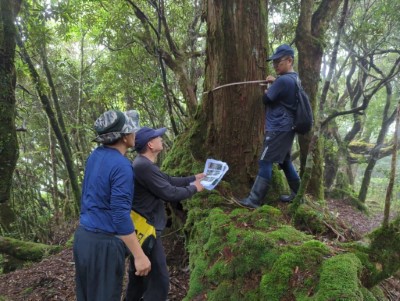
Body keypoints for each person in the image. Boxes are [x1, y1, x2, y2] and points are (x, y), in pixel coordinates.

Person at [73, 110, 151, 301]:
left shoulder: (95, 155)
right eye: (132, 130)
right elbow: (120, 215)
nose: (135, 134)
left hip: (83, 239)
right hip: (104, 245)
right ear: (124, 138)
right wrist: (139, 255)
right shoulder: (122, 166)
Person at [124, 126, 205, 301]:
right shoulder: (143, 166)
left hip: (143, 228)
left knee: (138, 277)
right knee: (159, 280)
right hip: (146, 230)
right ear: (150, 144)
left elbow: (167, 180)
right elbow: (168, 192)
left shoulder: (144, 164)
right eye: (158, 137)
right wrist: (195, 189)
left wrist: (193, 178)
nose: (161, 139)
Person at [239, 44, 301, 208]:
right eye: (273, 63)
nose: (274, 66)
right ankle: (298, 194)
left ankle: (254, 200)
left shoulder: (283, 81)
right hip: (287, 128)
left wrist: (269, 90)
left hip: (278, 129)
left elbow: (266, 99)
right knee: (285, 161)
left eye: (278, 62)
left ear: (289, 60)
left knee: (265, 161)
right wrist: (276, 83)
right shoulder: (294, 79)